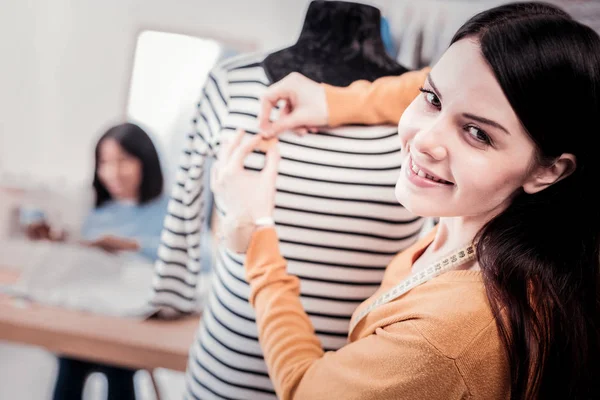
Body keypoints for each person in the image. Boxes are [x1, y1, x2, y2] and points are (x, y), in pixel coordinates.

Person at [212, 2, 600, 399]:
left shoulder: (445, 339)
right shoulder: (472, 231)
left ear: (548, 171)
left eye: (478, 134)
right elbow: (454, 83)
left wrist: (255, 225)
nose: (425, 139)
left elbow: (304, 390)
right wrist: (336, 102)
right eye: (431, 98)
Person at [23, 122, 168, 400]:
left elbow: (203, 255)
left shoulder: (167, 208)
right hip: (91, 310)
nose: (113, 172)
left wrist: (132, 245)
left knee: (118, 364)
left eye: (124, 161)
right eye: (105, 163)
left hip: (132, 319)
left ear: (146, 161)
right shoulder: (95, 207)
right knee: (71, 359)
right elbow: (41, 204)